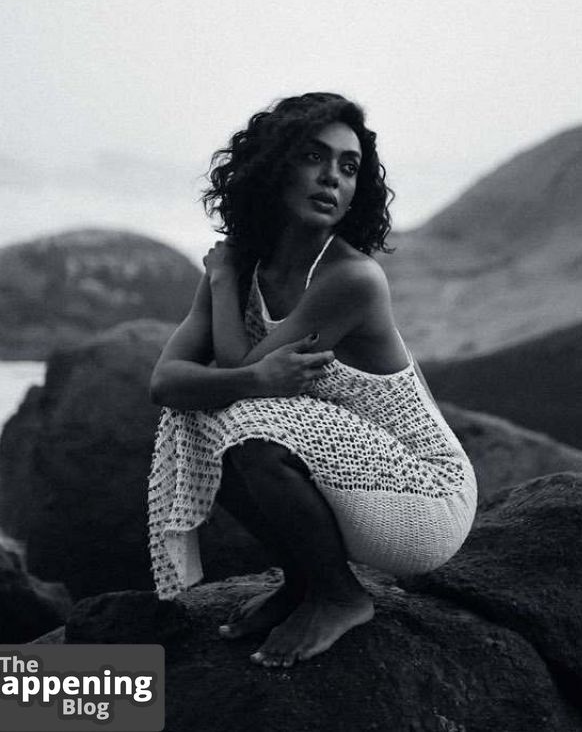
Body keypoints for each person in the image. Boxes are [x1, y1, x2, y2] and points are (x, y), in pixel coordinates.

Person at [148, 92, 477, 668]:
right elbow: (166, 383)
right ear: (273, 166)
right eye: (313, 157)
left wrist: (221, 284)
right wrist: (230, 286)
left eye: (349, 167)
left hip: (426, 496)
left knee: (245, 420)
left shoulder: (351, 279)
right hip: (353, 479)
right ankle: (304, 581)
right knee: (193, 420)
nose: (332, 178)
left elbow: (238, 373)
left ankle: (340, 595)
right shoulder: (244, 261)